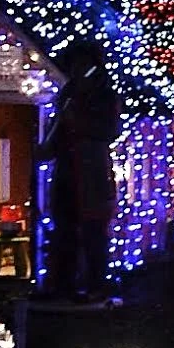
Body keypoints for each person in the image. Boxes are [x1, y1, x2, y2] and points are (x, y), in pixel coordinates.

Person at [38, 38, 120, 305]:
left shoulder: (103, 93)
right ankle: (62, 285)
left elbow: (110, 130)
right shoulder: (69, 92)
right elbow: (58, 129)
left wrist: (80, 123)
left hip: (92, 173)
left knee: (93, 232)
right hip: (67, 171)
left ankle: (96, 285)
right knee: (64, 230)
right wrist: (49, 147)